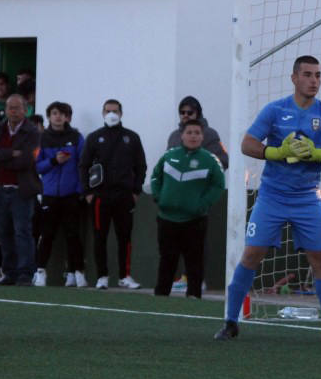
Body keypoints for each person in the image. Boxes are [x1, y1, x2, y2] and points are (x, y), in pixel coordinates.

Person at [213, 55, 321, 344]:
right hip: (272, 196)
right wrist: (276, 152)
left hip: (308, 199)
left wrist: (318, 153)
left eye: (318, 75)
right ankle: (231, 323)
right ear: (294, 78)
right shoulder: (275, 110)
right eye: (307, 74)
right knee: (251, 255)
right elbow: (247, 144)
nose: (314, 81)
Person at [151, 119, 226, 298]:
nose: (193, 136)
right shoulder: (169, 156)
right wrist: (159, 198)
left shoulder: (210, 160)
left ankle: (193, 296)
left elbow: (218, 185)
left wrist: (202, 204)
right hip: (167, 219)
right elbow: (155, 177)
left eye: (197, 133)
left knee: (194, 261)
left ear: (202, 137)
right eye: (189, 132)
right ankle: (161, 295)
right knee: (167, 260)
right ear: (182, 136)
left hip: (195, 221)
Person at [81, 99, 146, 290]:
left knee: (125, 238)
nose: (112, 114)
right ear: (103, 113)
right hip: (100, 196)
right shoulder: (94, 137)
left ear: (121, 113)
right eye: (108, 110)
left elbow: (141, 166)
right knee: (99, 237)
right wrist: (88, 192)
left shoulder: (131, 137)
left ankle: (125, 276)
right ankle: (102, 276)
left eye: (115, 111)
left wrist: (136, 191)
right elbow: (83, 165)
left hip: (124, 196)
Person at [0, 94, 41, 286]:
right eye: (10, 108)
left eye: (17, 108)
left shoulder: (32, 132)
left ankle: (25, 273)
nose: (13, 111)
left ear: (25, 110)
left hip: (21, 190)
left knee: (22, 232)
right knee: (4, 233)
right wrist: (11, 153)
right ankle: (9, 272)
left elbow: (26, 160)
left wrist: (1, 156)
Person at [34, 101, 87, 288]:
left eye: (62, 114)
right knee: (47, 234)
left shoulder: (77, 137)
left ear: (67, 117)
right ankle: (40, 272)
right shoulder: (41, 139)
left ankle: (77, 272)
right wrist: (54, 161)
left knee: (73, 235)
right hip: (49, 194)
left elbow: (83, 164)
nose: (58, 117)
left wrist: (80, 189)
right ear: (49, 116)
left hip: (71, 194)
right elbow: (37, 166)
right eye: (55, 113)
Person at [166, 96, 229, 170]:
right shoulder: (174, 136)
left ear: (198, 114)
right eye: (182, 112)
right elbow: (166, 161)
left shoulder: (210, 134)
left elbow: (223, 161)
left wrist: (198, 166)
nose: (185, 115)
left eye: (190, 113)